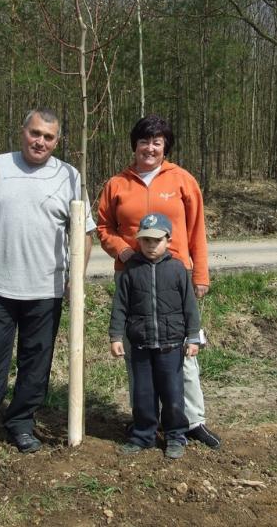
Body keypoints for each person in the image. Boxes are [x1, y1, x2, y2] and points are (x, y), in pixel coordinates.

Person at [0, 108, 96, 453]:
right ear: (23, 131)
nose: (40, 142)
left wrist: (74, 278)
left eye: (48, 137)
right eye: (35, 133)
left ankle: (21, 424)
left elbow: (84, 233)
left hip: (45, 290)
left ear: (57, 141)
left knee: (36, 365)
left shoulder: (69, 176)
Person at [97, 114, 220, 449]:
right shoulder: (117, 185)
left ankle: (191, 421)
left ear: (165, 146)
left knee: (184, 356)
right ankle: (145, 423)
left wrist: (200, 273)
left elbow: (197, 230)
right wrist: (121, 251)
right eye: (144, 142)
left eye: (157, 142)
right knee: (140, 358)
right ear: (134, 145)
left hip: (174, 281)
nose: (149, 148)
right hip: (134, 281)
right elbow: (103, 227)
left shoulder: (182, 181)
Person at [110, 213, 200, 459]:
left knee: (172, 394)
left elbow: (190, 306)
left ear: (168, 240)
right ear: (139, 241)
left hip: (171, 346)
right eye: (146, 240)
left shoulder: (178, 270)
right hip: (140, 344)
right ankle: (143, 435)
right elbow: (120, 305)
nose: (151, 245)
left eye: (157, 240)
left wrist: (193, 337)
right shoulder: (131, 270)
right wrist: (116, 336)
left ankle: (175, 436)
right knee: (143, 394)